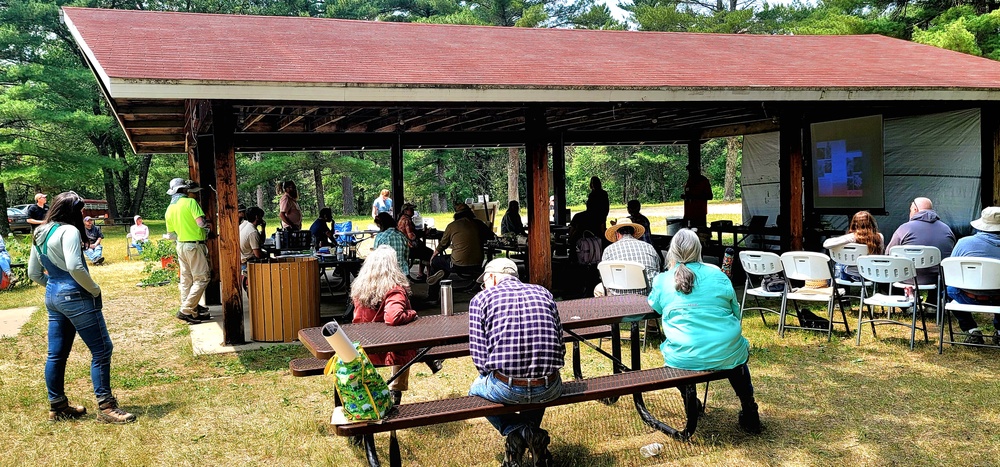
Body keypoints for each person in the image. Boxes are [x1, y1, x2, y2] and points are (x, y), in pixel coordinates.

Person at [27, 191, 136, 424]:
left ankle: (57, 406)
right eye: (81, 210)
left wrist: (55, 287)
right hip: (77, 296)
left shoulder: (39, 232)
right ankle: (106, 407)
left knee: (56, 354)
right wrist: (94, 289)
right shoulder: (69, 231)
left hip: (53, 297)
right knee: (101, 349)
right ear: (74, 211)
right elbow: (76, 267)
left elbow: (33, 273)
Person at [647, 229, 761, 434]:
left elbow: (655, 306)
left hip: (683, 355)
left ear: (671, 252)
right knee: (736, 359)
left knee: (675, 362)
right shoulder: (718, 275)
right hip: (726, 348)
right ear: (699, 249)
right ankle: (748, 406)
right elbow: (736, 311)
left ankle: (691, 403)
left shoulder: (663, 280)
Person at [468, 258, 564, 466]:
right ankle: (530, 433)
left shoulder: (481, 299)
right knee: (534, 388)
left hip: (508, 388)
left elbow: (480, 361)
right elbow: (560, 344)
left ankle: (517, 431)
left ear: (492, 277)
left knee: (474, 389)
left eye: (484, 282)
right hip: (550, 387)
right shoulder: (543, 293)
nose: (484, 287)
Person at [350, 245, 420, 405]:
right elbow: (393, 317)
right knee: (406, 343)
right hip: (387, 348)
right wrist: (412, 313)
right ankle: (395, 390)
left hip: (361, 345)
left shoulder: (360, 287)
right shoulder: (394, 289)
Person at [945, 207, 1000, 345]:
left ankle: (971, 329)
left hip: (967, 296)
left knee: (948, 290)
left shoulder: (963, 243)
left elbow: (952, 274)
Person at [165, 178, 212, 324]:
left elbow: (171, 234)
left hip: (180, 245)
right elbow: (201, 223)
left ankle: (192, 311)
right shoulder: (191, 203)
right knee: (202, 278)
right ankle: (186, 309)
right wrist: (208, 225)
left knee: (186, 279)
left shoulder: (170, 209)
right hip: (194, 245)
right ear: (184, 190)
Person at [886, 197, 956, 285]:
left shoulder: (904, 229)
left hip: (907, 280)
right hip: (939, 281)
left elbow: (888, 254)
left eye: (910, 210)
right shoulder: (947, 229)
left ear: (915, 210)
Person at [426, 207, 486, 296]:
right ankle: (443, 274)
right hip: (477, 263)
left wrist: (433, 256)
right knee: (446, 263)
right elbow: (491, 236)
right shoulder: (479, 224)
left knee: (436, 262)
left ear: (456, 214)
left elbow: (443, 244)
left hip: (458, 264)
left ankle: (433, 296)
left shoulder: (452, 226)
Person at [595, 219, 660, 296]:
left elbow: (604, 277)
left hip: (617, 295)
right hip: (646, 294)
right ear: (634, 233)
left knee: (598, 289)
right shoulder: (649, 247)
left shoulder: (608, 250)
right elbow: (657, 269)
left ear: (617, 234)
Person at [823, 211, 884, 282]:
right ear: (872, 223)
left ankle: (836, 288)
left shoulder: (852, 237)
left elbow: (826, 244)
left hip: (852, 273)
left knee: (839, 263)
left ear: (855, 224)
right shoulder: (880, 237)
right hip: (873, 273)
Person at [397, 202, 432, 280]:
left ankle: (421, 273)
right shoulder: (407, 220)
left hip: (405, 245)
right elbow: (411, 236)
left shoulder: (402, 218)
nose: (413, 210)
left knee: (424, 249)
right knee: (429, 252)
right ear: (405, 211)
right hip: (410, 247)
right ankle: (430, 275)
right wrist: (423, 233)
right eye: (411, 209)